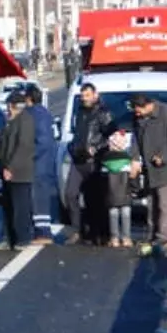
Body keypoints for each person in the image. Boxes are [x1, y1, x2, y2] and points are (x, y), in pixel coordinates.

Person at [128, 93, 167, 250]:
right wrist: (134, 158)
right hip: (150, 169)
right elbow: (135, 139)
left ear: (148, 105)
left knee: (166, 205)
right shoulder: (138, 118)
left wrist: (163, 155)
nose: (136, 113)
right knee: (153, 205)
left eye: (138, 110)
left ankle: (164, 238)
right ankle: (153, 235)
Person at [64, 82, 113, 245]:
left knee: (94, 199)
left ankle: (98, 233)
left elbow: (110, 135)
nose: (84, 99)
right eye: (82, 95)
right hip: (77, 160)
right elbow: (77, 134)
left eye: (87, 95)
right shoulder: (79, 112)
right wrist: (72, 146)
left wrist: (96, 148)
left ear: (95, 95)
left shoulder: (103, 113)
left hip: (93, 161)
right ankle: (77, 230)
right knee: (70, 194)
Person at [0, 92, 36, 251]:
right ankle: (9, 238)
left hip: (20, 172)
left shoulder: (25, 120)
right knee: (9, 207)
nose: (8, 110)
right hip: (7, 171)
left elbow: (24, 147)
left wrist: (11, 168)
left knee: (21, 208)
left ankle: (23, 238)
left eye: (10, 106)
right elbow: (2, 143)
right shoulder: (11, 122)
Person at [24, 85, 59, 245]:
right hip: (47, 162)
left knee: (38, 199)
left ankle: (43, 233)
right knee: (40, 198)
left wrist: (28, 156)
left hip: (38, 164)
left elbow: (42, 142)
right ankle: (42, 231)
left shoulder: (34, 115)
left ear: (29, 98)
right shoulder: (46, 113)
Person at [103, 128, 134, 247]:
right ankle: (126, 238)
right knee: (126, 213)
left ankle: (114, 238)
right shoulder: (127, 161)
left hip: (111, 194)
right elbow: (133, 178)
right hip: (126, 193)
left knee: (113, 214)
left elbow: (102, 180)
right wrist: (135, 190)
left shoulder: (106, 161)